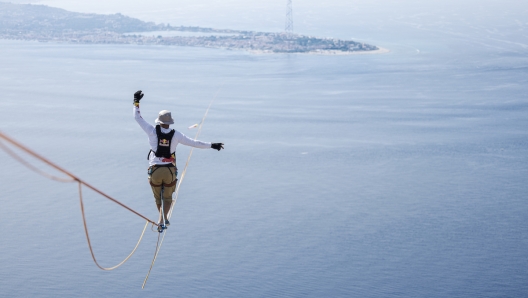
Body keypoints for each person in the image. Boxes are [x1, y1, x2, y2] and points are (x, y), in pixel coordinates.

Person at [133, 90, 224, 231]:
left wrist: (136, 102)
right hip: (169, 170)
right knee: (167, 198)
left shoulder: (151, 131)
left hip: (155, 170)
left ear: (159, 121)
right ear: (169, 123)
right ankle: (164, 218)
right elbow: (195, 143)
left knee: (158, 198)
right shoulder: (176, 135)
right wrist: (212, 145)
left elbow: (138, 118)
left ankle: (161, 219)